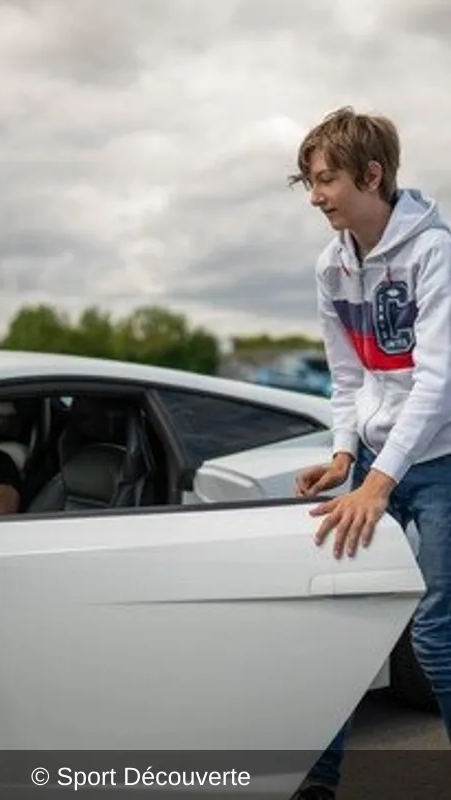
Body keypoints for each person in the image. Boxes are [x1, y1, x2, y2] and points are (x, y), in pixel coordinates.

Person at [289, 106, 451, 799]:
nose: (317, 194)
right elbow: (348, 376)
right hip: (377, 467)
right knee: (340, 633)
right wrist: (342, 455)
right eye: (309, 182)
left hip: (441, 464)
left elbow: (439, 378)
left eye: (326, 179)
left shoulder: (432, 249)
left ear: (372, 174)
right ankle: (318, 786)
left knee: (437, 643)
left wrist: (379, 482)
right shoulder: (331, 266)